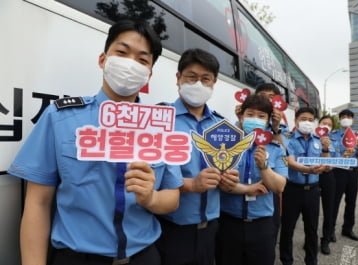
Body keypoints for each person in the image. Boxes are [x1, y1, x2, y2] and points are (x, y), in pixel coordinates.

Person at [7, 20, 182, 265]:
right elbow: (38, 202)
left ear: (149, 75)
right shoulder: (60, 118)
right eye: (121, 53)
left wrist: (150, 198)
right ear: (103, 59)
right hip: (77, 258)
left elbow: (172, 198)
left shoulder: (161, 127)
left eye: (142, 60)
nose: (130, 64)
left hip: (145, 257)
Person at [155, 48, 239, 265]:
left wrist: (229, 181)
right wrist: (191, 184)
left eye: (205, 79)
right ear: (178, 78)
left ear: (214, 83)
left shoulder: (221, 126)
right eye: (191, 77)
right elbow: (149, 176)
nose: (198, 84)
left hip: (211, 228)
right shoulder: (159, 119)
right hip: (171, 228)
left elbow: (225, 167)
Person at [215, 94, 287, 265]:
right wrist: (246, 189)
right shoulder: (226, 144)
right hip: (228, 222)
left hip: (261, 225)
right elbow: (220, 180)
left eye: (261, 116)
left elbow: (279, 186)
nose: (255, 119)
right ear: (241, 116)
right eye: (250, 114)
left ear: (269, 120)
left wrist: (264, 166)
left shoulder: (277, 148)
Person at [279, 107, 330, 265]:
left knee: (312, 229)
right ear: (296, 121)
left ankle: (311, 260)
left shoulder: (319, 140)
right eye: (303, 119)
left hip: (313, 191)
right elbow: (291, 162)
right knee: (287, 229)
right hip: (292, 189)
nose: (307, 122)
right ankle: (286, 261)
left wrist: (326, 149)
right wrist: (308, 169)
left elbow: (326, 163)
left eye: (310, 119)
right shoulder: (288, 139)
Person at [331, 109, 358, 241]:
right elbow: (332, 154)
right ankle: (330, 229)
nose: (346, 118)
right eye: (343, 116)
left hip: (353, 172)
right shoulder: (333, 135)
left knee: (351, 202)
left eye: (349, 117)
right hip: (338, 171)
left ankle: (348, 229)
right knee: (334, 202)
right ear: (339, 119)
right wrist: (343, 155)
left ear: (353, 120)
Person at [317, 115, 339, 255]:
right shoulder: (311, 138)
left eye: (329, 124)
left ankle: (325, 240)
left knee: (329, 210)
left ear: (332, 128)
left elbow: (334, 162)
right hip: (311, 176)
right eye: (323, 123)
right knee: (310, 213)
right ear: (318, 124)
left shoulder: (334, 142)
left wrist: (326, 148)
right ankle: (310, 240)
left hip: (328, 176)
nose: (326, 126)